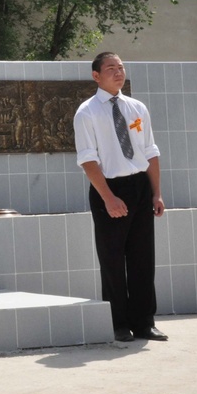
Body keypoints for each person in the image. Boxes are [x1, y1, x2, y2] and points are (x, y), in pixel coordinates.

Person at [73, 52, 167, 343]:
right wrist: (108, 198)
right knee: (113, 260)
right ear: (96, 76)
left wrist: (156, 193)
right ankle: (119, 323)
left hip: (139, 186)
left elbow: (149, 151)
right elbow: (88, 160)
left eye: (121, 67)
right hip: (109, 187)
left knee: (143, 258)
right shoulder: (86, 112)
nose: (118, 72)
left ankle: (144, 322)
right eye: (110, 68)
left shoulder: (137, 107)